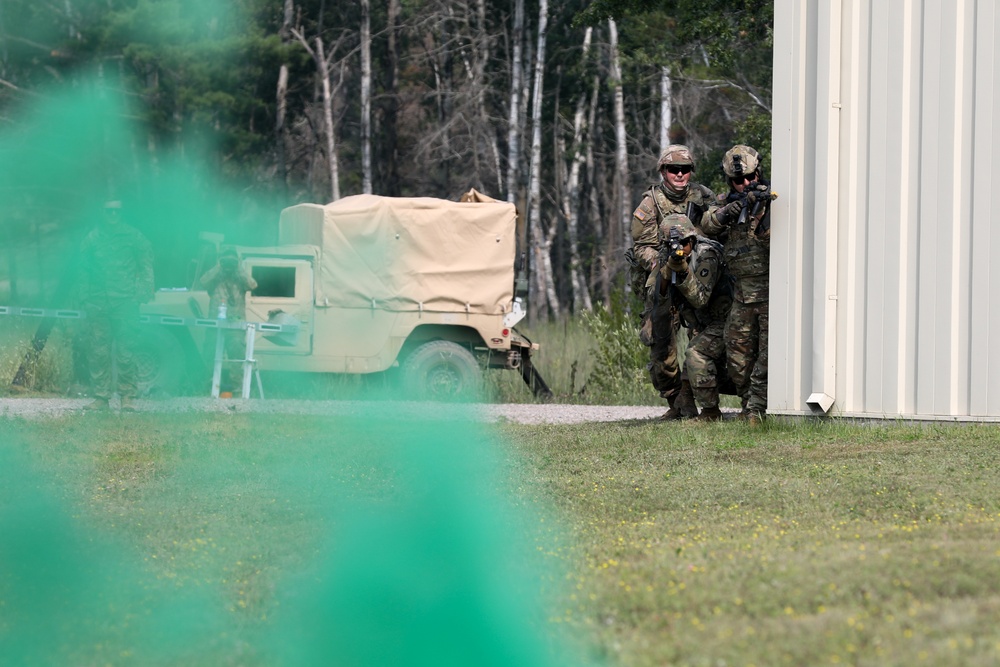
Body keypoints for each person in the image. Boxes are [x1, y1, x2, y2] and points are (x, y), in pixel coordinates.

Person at [628, 144, 715, 420]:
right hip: (664, 279)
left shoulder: (703, 198)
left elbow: (716, 230)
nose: (679, 174)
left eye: (685, 169)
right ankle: (677, 403)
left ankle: (699, 401)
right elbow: (641, 246)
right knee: (659, 342)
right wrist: (663, 264)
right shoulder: (650, 203)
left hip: (697, 279)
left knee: (701, 340)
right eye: (673, 169)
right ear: (663, 171)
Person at [702, 145, 774, 424]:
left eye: (750, 178)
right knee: (738, 356)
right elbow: (706, 224)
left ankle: (757, 410)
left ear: (758, 173)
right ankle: (748, 406)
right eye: (738, 181)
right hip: (741, 295)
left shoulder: (768, 201)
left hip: (769, 294)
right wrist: (729, 212)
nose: (745, 184)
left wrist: (760, 211)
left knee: (767, 355)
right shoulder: (726, 203)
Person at [78, 200, 155, 411]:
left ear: (121, 213)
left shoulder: (133, 236)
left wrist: (143, 293)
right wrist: (84, 298)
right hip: (98, 303)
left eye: (116, 211)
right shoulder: (93, 238)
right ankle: (101, 398)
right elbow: (82, 269)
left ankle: (128, 397)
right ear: (102, 213)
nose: (112, 215)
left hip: (125, 303)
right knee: (98, 352)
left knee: (127, 351)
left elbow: (146, 263)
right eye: (108, 211)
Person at [659, 213, 734, 421]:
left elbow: (700, 298)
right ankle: (684, 403)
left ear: (692, 240)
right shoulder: (666, 254)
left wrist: (682, 270)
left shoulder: (706, 255)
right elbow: (656, 296)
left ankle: (710, 412)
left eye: (683, 243)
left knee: (696, 353)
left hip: (727, 320)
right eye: (672, 244)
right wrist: (667, 272)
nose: (678, 248)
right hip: (703, 322)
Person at [199, 246, 257, 394]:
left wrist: (238, 268)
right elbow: (203, 282)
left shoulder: (239, 277)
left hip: (235, 324)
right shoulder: (215, 277)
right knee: (209, 356)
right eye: (226, 259)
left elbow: (252, 284)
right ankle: (206, 389)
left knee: (236, 358)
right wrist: (220, 266)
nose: (229, 263)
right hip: (215, 323)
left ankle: (237, 390)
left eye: (232, 259)